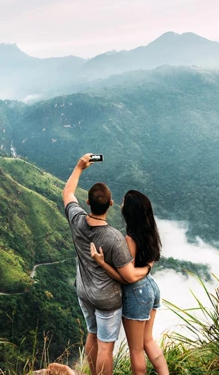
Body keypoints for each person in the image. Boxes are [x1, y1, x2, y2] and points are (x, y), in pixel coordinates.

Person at [62, 153, 151, 375]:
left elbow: (67, 192)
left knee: (92, 335)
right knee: (105, 346)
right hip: (106, 299)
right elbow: (130, 276)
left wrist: (79, 167)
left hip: (84, 292)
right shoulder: (114, 238)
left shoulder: (77, 220)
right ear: (111, 204)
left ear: (88, 202)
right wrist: (148, 268)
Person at [90, 190, 169, 375]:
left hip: (137, 293)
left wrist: (102, 263)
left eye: (124, 203)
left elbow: (128, 276)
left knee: (136, 349)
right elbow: (146, 265)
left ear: (130, 211)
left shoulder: (130, 239)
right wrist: (147, 269)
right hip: (151, 287)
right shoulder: (150, 232)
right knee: (147, 340)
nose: (121, 204)